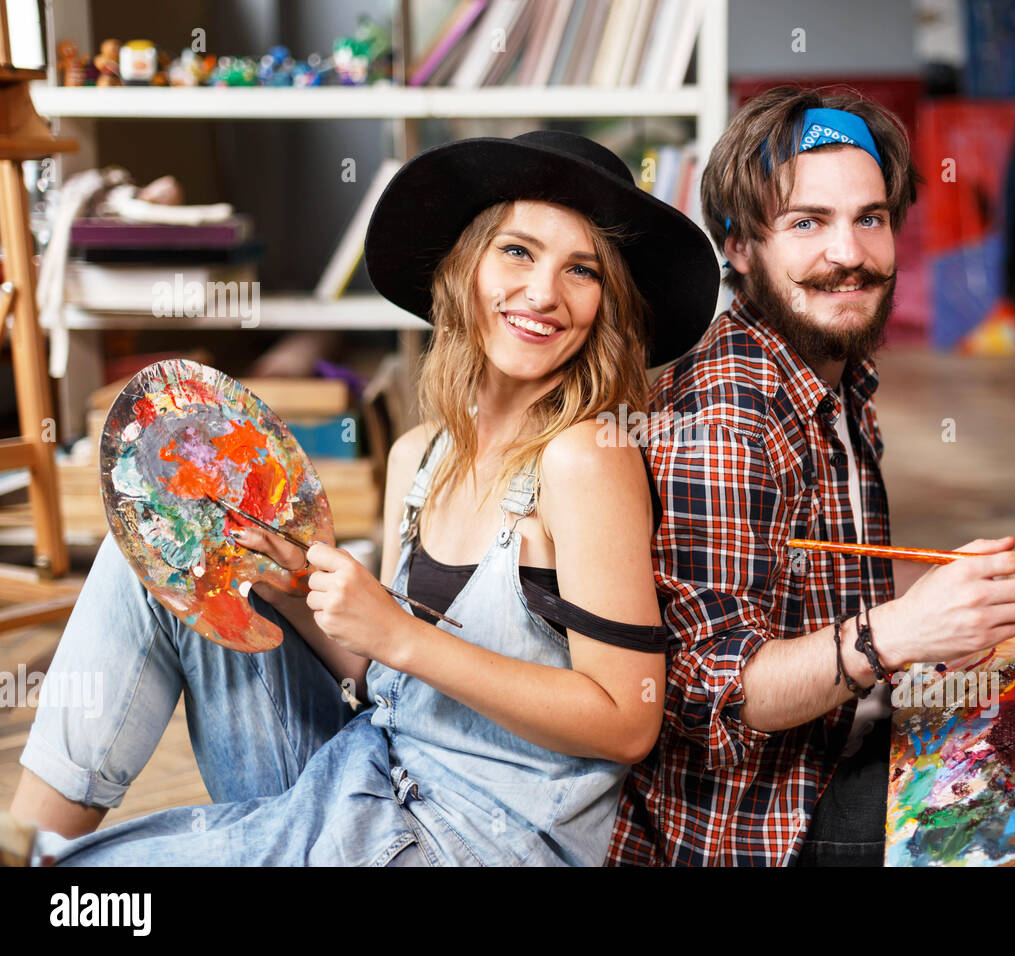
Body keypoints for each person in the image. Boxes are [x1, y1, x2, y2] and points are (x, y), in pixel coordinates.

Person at [2, 130, 720, 867]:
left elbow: (628, 720)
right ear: (464, 267)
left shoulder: (584, 459)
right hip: (362, 784)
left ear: (607, 303)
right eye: (517, 251)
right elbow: (393, 683)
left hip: (470, 839)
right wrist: (292, 594)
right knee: (174, 546)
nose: (543, 292)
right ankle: (29, 837)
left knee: (92, 888)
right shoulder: (420, 458)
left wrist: (400, 633)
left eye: (582, 270)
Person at [606, 86, 1015, 866]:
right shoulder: (727, 418)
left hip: (845, 737)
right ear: (739, 247)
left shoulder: (837, 378)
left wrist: (972, 614)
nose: (849, 255)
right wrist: (902, 632)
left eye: (869, 218)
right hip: (766, 821)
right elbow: (718, 695)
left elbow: (815, 612)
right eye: (808, 222)